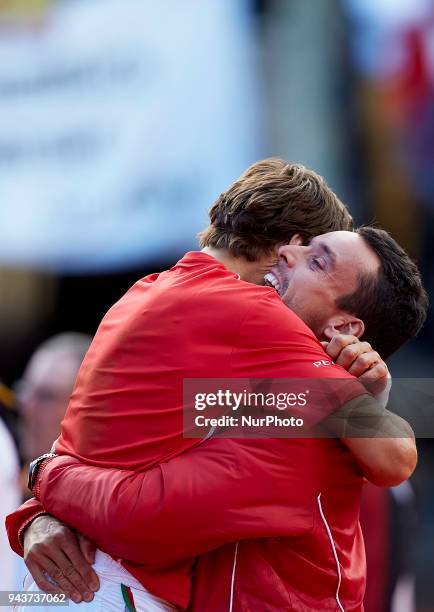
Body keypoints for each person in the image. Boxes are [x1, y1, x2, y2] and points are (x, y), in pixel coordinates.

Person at [7, 160, 427, 610]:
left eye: (315, 258)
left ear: (346, 325)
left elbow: (128, 490)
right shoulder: (256, 321)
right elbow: (140, 512)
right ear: (279, 242)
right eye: (304, 246)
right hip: (104, 586)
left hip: (78, 583)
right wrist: (45, 484)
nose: (292, 256)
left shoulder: (146, 290)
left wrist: (44, 481)